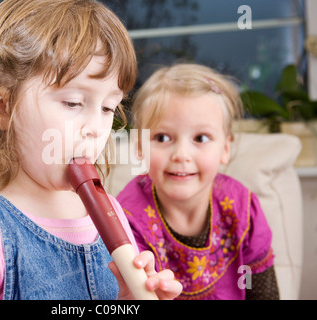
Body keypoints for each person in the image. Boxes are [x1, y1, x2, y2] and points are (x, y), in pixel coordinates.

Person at [0, 0, 182, 300]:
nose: (95, 127)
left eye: (108, 107)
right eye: (72, 103)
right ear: (1, 108)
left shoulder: (114, 212)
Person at [117, 63, 280, 300]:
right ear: (140, 148)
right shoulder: (126, 218)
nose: (181, 154)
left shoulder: (243, 209)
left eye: (201, 138)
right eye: (162, 137)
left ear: (225, 148)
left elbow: (265, 294)